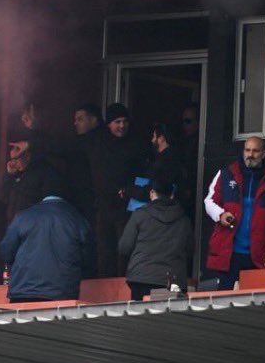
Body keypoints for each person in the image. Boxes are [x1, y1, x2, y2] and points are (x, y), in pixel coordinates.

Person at [203, 136, 265, 290]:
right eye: (247, 150)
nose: (250, 155)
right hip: (229, 251)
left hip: (258, 254)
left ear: (264, 154)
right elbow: (209, 201)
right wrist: (221, 215)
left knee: (256, 303)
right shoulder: (226, 174)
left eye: (255, 151)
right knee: (223, 301)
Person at [0, 194, 95, 303]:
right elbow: (88, 259)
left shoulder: (23, 217)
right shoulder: (78, 219)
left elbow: (6, 252)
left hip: (24, 291)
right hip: (63, 293)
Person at [92, 103, 146, 277]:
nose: (122, 126)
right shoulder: (98, 144)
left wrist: (129, 191)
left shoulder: (136, 146)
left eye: (125, 121)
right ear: (108, 124)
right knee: (104, 251)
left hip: (125, 209)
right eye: (117, 122)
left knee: (125, 250)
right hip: (104, 207)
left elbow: (144, 176)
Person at [118, 175, 193, 301]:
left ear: (152, 193)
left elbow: (124, 248)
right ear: (172, 195)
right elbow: (190, 251)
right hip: (172, 280)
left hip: (141, 279)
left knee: (139, 318)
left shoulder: (139, 215)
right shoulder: (184, 221)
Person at [0, 137, 65, 225]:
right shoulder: (15, 174)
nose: (13, 163)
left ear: (27, 156)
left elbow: (51, 206)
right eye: (12, 159)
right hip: (15, 227)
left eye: (17, 158)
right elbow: (3, 197)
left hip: (34, 229)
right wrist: (9, 175)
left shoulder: (44, 172)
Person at [124, 124, 183, 207]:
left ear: (161, 138)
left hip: (161, 209)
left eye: (154, 136)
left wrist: (128, 190)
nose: (152, 140)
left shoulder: (165, 162)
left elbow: (154, 191)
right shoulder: (170, 158)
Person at [66, 103, 103, 219]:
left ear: (93, 120)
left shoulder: (95, 142)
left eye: (80, 119)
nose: (75, 123)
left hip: (91, 203)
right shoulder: (80, 141)